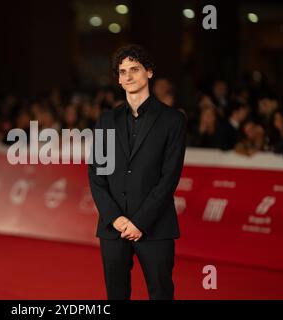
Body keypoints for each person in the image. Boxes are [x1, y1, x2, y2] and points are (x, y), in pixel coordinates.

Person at [88, 44, 187, 300]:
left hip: (155, 226)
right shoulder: (106, 120)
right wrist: (115, 218)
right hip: (113, 228)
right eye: (122, 71)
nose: (128, 76)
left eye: (135, 69)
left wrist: (139, 222)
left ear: (150, 73)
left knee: (161, 293)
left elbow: (169, 178)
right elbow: (97, 175)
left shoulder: (173, 120)